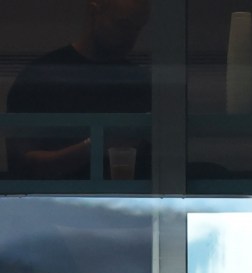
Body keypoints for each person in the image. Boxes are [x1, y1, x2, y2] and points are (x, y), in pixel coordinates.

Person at [6, 0, 152, 180]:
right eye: (122, 25)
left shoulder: (139, 83)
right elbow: (23, 166)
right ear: (94, 13)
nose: (130, 37)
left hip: (129, 205)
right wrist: (97, 144)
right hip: (54, 204)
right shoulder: (40, 78)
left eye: (137, 28)